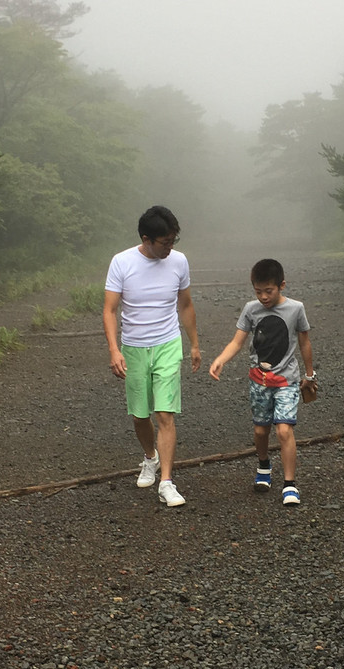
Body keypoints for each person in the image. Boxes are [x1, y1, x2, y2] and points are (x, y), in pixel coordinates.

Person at [103, 206, 201, 507]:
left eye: (174, 241)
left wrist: (194, 344)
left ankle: (167, 482)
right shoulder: (122, 262)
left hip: (168, 344)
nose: (170, 248)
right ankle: (150, 457)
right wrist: (114, 349)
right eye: (165, 242)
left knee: (165, 413)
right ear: (147, 239)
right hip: (134, 347)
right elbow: (109, 310)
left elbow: (185, 305)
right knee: (140, 415)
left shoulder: (179, 262)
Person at [208, 258, 316, 506]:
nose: (264, 297)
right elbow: (238, 341)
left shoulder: (296, 309)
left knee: (284, 429)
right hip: (259, 381)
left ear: (282, 286)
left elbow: (304, 342)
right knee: (260, 430)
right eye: (258, 292)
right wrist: (221, 359)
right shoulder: (251, 309)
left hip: (287, 380)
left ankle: (290, 485)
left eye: (269, 291)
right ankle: (264, 466)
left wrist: (310, 375)